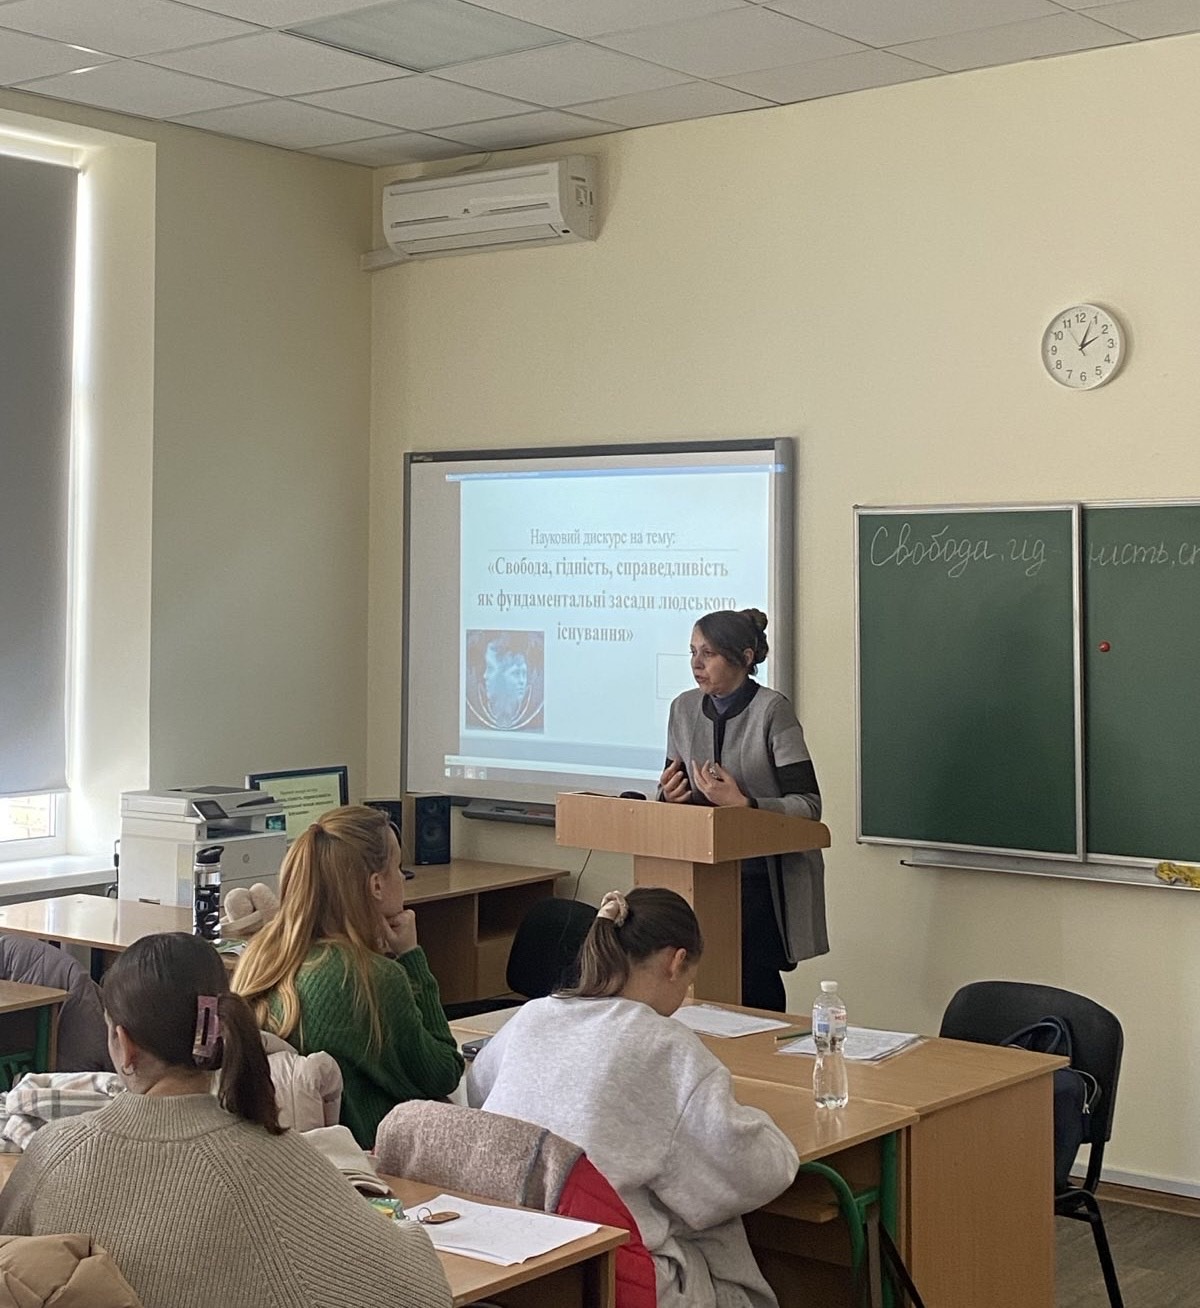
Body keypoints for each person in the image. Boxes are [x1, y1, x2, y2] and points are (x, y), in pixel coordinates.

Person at [0, 933, 453, 1308]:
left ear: (123, 1043)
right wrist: (405, 1235)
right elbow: (420, 1293)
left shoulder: (54, 1151)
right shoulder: (279, 1159)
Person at [467, 887, 797, 1308]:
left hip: (508, 1259)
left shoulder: (535, 1014)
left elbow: (478, 1092)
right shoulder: (665, 1046)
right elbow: (754, 1172)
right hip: (605, 1271)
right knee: (722, 1244)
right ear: (676, 962)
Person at [233, 805, 462, 1147]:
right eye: (398, 868)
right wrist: (412, 958)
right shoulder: (370, 979)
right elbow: (444, 1073)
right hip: (364, 1159)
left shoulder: (260, 955)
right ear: (376, 885)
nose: (403, 878)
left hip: (283, 1154)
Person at [659, 607, 825, 1011]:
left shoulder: (772, 710)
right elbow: (671, 786)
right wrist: (669, 797)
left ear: (745, 658)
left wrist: (745, 804)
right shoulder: (683, 709)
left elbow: (809, 805)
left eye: (709, 653)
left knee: (754, 990)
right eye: (693, 652)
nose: (697, 664)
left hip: (760, 882)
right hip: (697, 875)